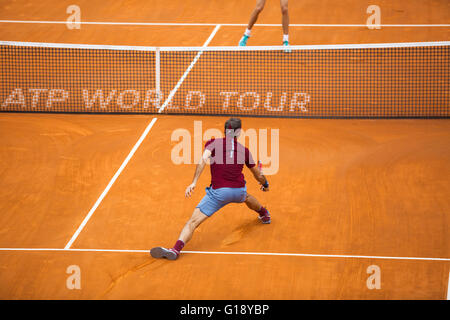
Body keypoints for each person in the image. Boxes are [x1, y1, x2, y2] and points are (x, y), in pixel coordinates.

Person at [150, 118, 271, 260]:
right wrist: (266, 184)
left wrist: (194, 182)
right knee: (246, 197)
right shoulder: (244, 151)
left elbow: (203, 160)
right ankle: (264, 214)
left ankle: (176, 249)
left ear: (225, 131)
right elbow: (258, 175)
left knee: (192, 222)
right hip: (238, 191)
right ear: (238, 133)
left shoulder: (213, 143)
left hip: (219, 193)